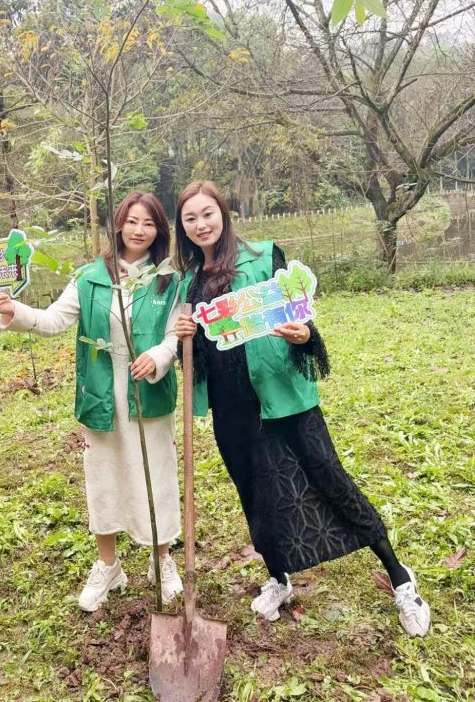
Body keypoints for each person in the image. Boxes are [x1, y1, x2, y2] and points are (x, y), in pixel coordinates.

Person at [173, 180, 430, 637]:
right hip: (233, 411)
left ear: (223, 214)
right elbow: (200, 358)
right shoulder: (189, 283)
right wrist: (184, 339)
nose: (201, 224)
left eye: (207, 213)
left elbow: (300, 317)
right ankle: (279, 577)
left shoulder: (264, 256)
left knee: (330, 479)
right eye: (190, 218)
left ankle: (400, 579)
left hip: (284, 397)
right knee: (257, 496)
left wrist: (305, 334)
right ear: (182, 226)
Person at [0, 192, 182, 612]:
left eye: (149, 223)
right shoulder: (90, 277)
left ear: (159, 230)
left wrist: (159, 356)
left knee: (157, 476)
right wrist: (13, 308)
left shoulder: (169, 279)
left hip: (148, 394)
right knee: (104, 477)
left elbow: (175, 335)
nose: (139, 230)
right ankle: (108, 566)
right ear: (118, 224)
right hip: (101, 395)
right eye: (132, 221)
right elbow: (53, 320)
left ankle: (161, 559)